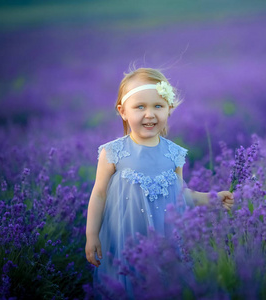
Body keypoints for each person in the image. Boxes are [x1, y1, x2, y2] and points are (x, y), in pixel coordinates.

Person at [85, 67, 234, 296]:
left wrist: (212, 198)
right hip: (125, 239)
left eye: (158, 106)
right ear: (123, 111)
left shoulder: (174, 154)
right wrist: (91, 234)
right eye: (140, 107)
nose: (149, 114)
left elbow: (180, 193)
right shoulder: (112, 152)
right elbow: (99, 194)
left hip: (163, 238)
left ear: (169, 109)